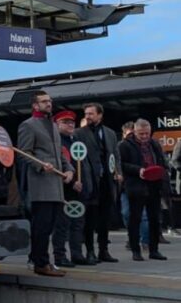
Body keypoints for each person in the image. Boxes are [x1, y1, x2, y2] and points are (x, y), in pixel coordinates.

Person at [18, 91, 74, 276]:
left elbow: (60, 153)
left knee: (50, 226)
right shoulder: (28, 126)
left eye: (50, 100)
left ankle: (42, 260)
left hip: (56, 185)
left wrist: (69, 170)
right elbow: (24, 153)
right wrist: (41, 166)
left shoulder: (52, 125)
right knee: (41, 226)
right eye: (44, 101)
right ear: (35, 105)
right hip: (41, 185)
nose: (49, 104)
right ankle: (40, 263)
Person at [75, 103, 121, 263]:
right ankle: (90, 251)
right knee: (90, 218)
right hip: (90, 181)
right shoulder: (79, 133)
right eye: (86, 114)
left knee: (105, 218)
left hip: (107, 181)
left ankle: (104, 250)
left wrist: (118, 172)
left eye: (91, 114)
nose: (88, 116)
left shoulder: (110, 133)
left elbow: (115, 154)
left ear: (100, 115)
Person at [119, 119, 168, 261]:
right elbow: (121, 164)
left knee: (154, 219)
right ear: (134, 131)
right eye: (141, 134)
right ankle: (136, 250)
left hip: (154, 185)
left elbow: (161, 160)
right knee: (135, 219)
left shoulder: (154, 144)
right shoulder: (125, 145)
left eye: (147, 133)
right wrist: (138, 170)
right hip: (136, 186)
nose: (145, 136)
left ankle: (154, 250)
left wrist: (163, 170)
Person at [53, 110, 97, 266]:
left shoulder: (75, 141)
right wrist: (73, 183)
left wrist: (86, 185)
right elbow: (61, 167)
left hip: (80, 191)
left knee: (78, 224)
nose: (70, 124)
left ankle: (77, 254)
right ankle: (60, 256)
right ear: (57, 124)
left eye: (72, 122)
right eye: (65, 122)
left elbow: (83, 166)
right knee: (62, 224)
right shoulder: (56, 142)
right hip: (65, 190)